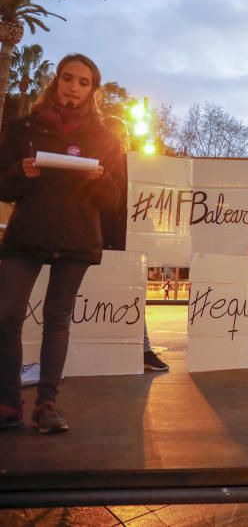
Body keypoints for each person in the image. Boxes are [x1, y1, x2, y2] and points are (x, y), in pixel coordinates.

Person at [0, 54, 123, 433]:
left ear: (93, 91)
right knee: (6, 316)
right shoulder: (24, 128)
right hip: (28, 234)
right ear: (56, 82)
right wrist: (21, 173)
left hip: (76, 236)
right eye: (67, 78)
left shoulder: (106, 138)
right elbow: (3, 186)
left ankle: (47, 405)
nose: (74, 86)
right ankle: (8, 403)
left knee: (57, 320)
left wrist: (99, 180)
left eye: (83, 82)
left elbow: (114, 200)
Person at [100, 115, 169, 372]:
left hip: (124, 243)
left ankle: (144, 350)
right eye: (117, 135)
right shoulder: (96, 164)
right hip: (97, 240)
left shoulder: (134, 168)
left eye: (125, 136)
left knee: (133, 297)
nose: (122, 141)